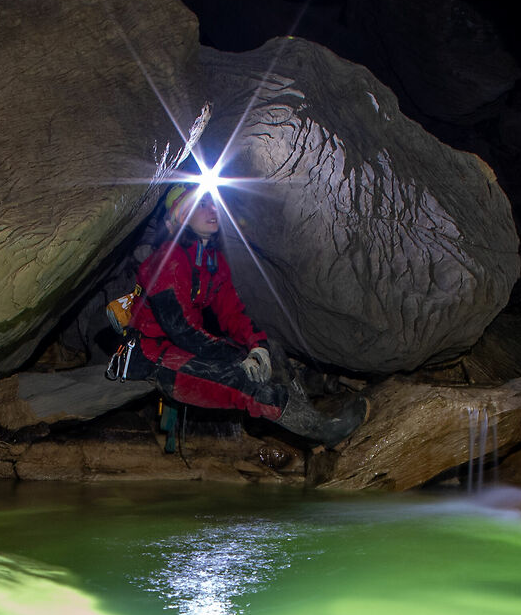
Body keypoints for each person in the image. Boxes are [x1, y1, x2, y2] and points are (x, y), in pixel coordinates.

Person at [132, 183, 364, 447]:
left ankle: (310, 411)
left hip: (188, 349)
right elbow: (181, 330)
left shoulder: (211, 260)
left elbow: (232, 312)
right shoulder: (169, 260)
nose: (213, 210)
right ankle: (322, 432)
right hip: (156, 358)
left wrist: (257, 347)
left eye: (213, 203)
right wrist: (236, 357)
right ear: (182, 215)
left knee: (271, 351)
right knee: (245, 383)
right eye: (202, 205)